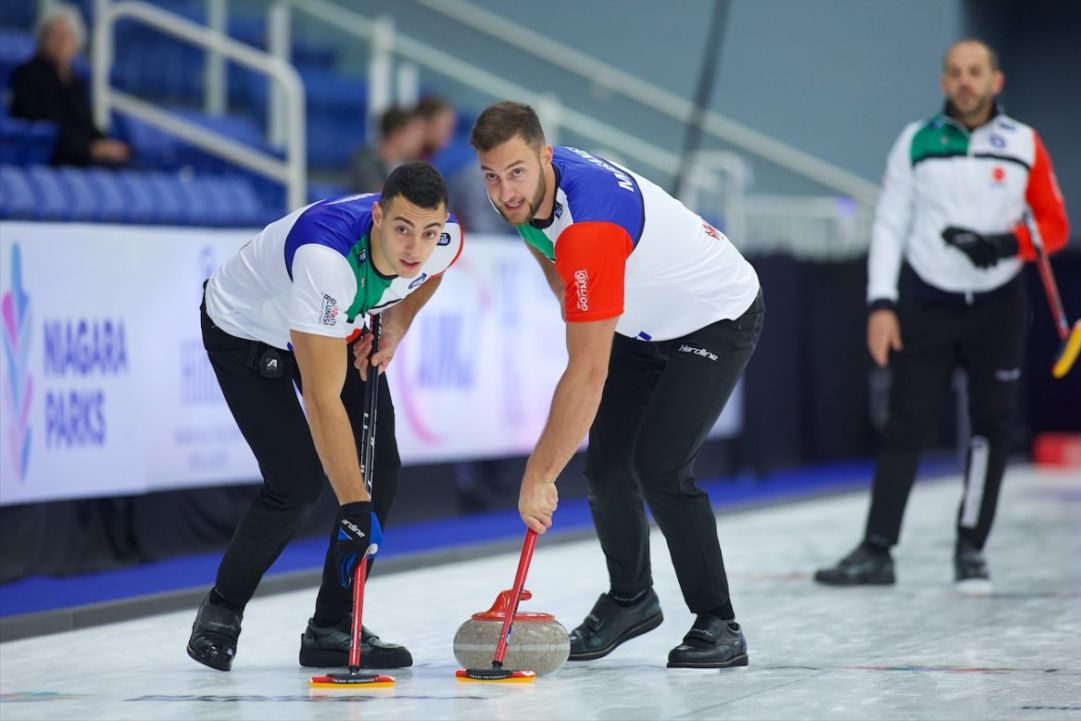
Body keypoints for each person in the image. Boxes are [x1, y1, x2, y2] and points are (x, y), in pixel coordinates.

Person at [470, 101, 764, 669]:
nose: (505, 191)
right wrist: (578, 296)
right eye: (491, 177)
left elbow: (587, 372)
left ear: (544, 156)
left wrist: (537, 476)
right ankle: (631, 599)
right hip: (640, 319)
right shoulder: (530, 200)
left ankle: (718, 622)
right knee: (606, 468)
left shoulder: (592, 226)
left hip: (716, 314)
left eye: (516, 172)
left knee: (661, 464)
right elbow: (551, 262)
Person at [186, 162, 464, 672]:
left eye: (428, 232)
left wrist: (394, 325)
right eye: (402, 229)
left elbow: (432, 272)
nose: (415, 247)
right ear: (377, 216)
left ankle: (331, 628)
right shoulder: (326, 259)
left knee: (382, 472)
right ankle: (222, 610)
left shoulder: (443, 240)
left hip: (332, 323)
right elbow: (321, 399)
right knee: (296, 484)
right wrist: (353, 505)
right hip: (247, 329)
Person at [814, 39, 1069, 594]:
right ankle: (878, 549)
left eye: (975, 72)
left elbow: (1054, 226)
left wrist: (1006, 244)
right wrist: (881, 302)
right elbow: (888, 225)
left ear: (995, 80)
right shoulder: (916, 140)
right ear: (943, 81)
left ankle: (971, 548)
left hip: (999, 306)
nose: (965, 81)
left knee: (992, 427)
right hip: (927, 301)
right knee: (905, 423)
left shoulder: (1023, 142)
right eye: (955, 72)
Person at [7, 3, 131, 167]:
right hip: (52, 157)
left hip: (81, 154)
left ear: (77, 43)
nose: (60, 43)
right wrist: (90, 148)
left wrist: (105, 144)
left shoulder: (75, 82)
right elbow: (44, 123)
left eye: (66, 36)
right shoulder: (26, 75)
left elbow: (86, 124)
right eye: (54, 36)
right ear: (40, 39)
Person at [347, 106, 425, 194]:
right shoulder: (366, 159)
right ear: (396, 135)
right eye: (413, 135)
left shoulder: (412, 165)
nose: (419, 141)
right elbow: (375, 194)